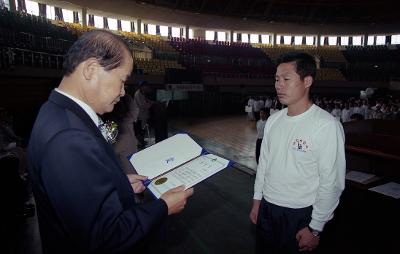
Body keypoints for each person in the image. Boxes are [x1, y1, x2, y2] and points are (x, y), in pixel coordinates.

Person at [27, 30, 193, 254]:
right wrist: (163, 207)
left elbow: (78, 190)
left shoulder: (56, 111)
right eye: (122, 81)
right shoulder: (68, 137)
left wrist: (117, 183)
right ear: (91, 70)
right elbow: (105, 236)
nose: (123, 93)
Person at [249, 52, 346, 254]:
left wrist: (315, 228)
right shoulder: (274, 120)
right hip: (268, 208)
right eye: (276, 79)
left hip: (300, 214)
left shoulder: (326, 125)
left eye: (286, 79)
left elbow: (332, 182)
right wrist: (257, 201)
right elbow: (264, 165)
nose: (278, 85)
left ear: (307, 81)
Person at [134, 80, 153, 148]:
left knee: (143, 129)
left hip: (143, 116)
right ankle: (140, 143)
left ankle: (142, 141)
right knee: (140, 130)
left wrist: (151, 102)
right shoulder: (138, 94)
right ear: (142, 87)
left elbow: (146, 101)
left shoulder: (142, 93)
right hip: (139, 116)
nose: (147, 88)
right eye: (145, 86)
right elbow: (143, 105)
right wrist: (150, 104)